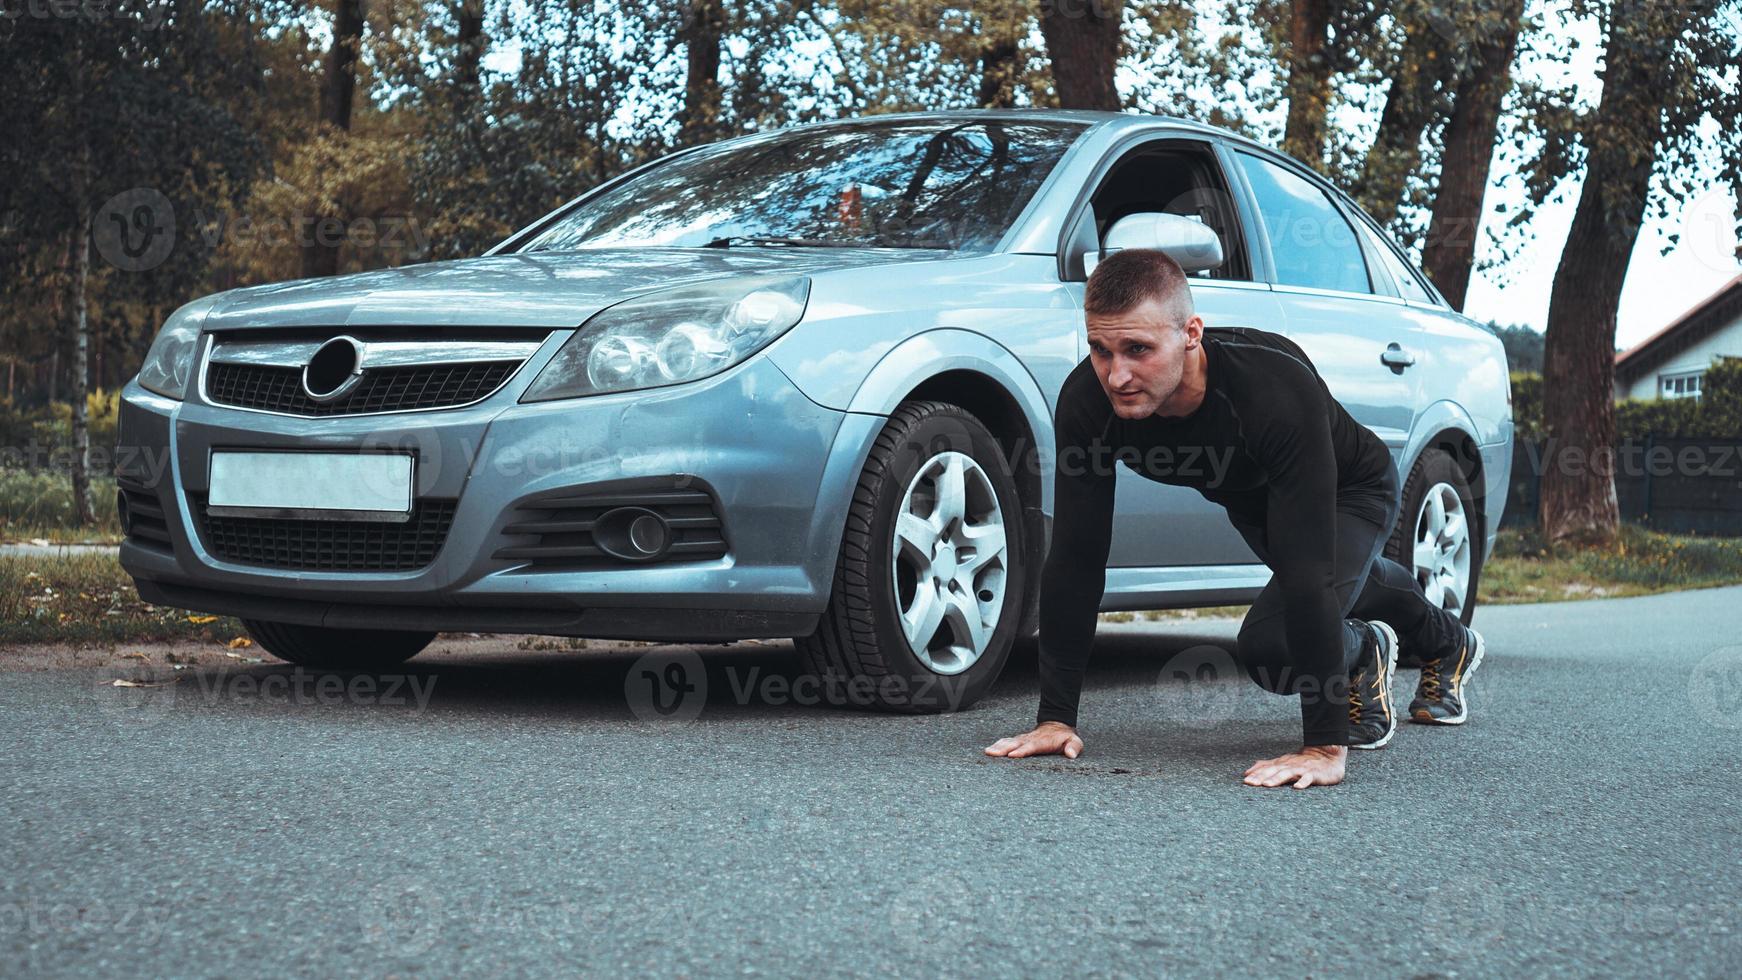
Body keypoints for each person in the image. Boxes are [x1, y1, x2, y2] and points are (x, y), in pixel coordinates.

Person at [983, 248, 1485, 788]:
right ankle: (1427, 642)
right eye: (1100, 350)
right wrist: (1056, 717)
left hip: (1349, 490)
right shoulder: (1087, 402)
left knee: (1274, 645)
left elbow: (1310, 577)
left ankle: (1371, 648)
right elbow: (1077, 558)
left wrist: (1323, 744)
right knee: (1346, 581)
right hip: (1254, 500)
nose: (1116, 374)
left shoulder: (1271, 390)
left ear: (1192, 334)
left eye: (1138, 349)